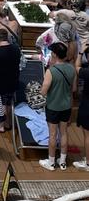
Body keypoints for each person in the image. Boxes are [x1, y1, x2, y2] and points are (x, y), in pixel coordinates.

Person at [39, 42, 76, 171]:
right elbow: (74, 88)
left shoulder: (51, 71)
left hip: (53, 106)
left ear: (54, 54)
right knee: (64, 133)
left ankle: (51, 162)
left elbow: (43, 91)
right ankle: (63, 161)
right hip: (66, 106)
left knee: (53, 134)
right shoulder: (72, 69)